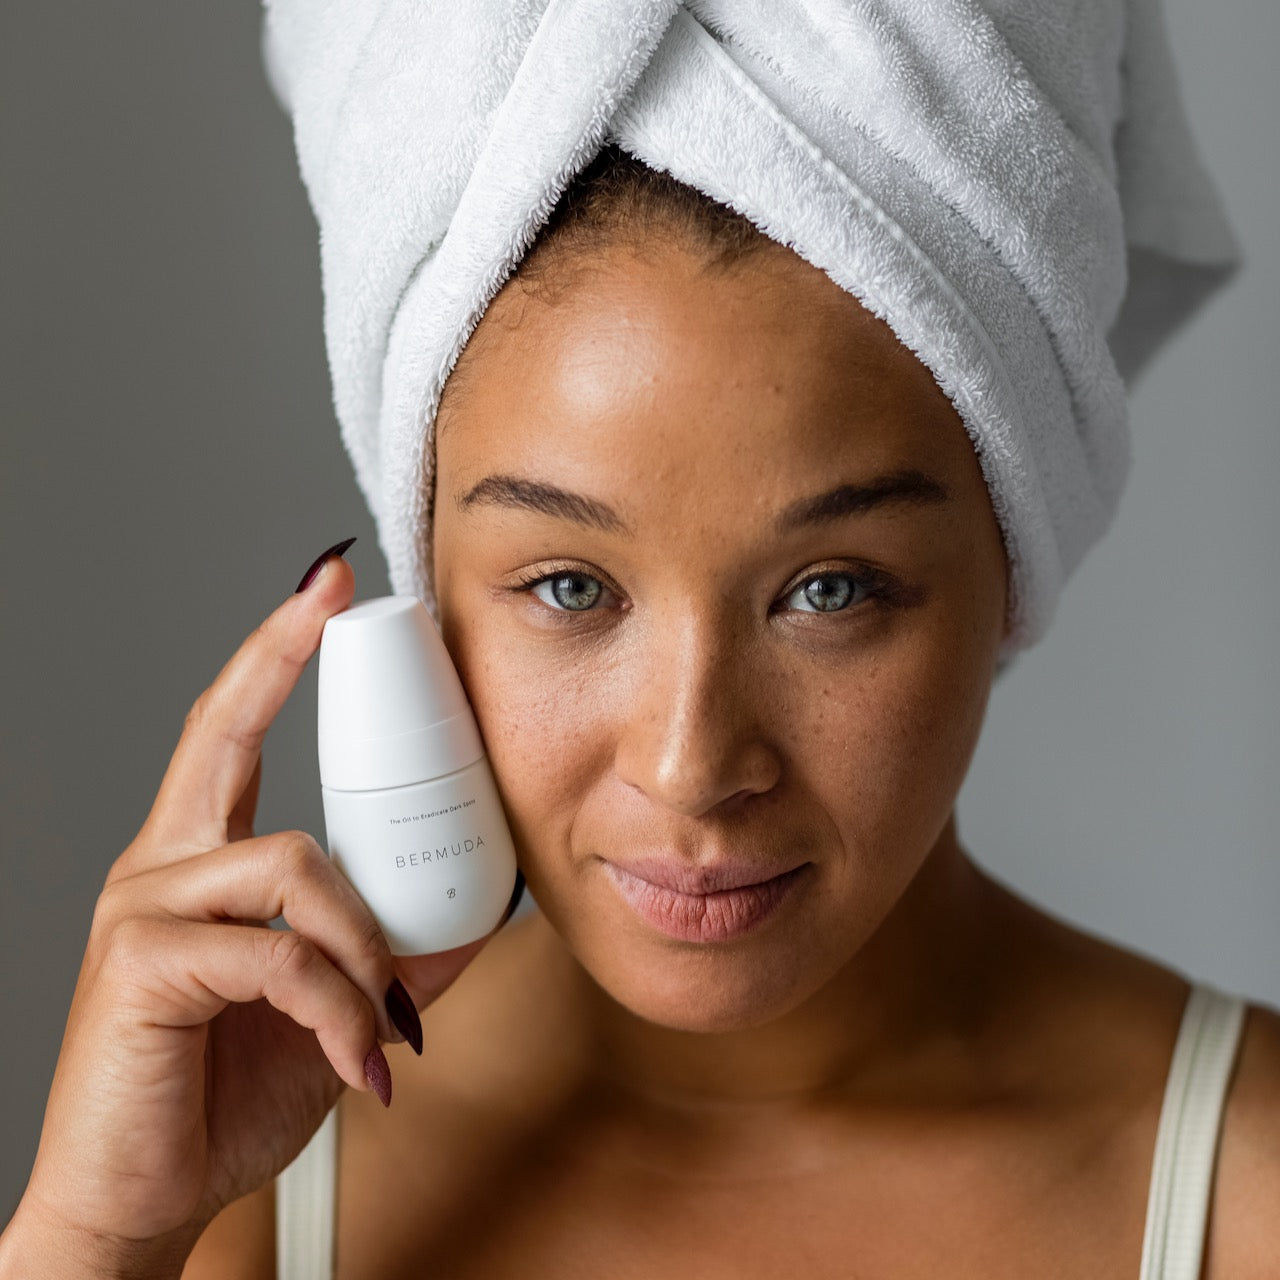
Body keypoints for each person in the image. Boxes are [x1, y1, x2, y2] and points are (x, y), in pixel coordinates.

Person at [3, 7, 1278, 1280]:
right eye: (568, 587)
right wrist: (94, 1242)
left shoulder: (1249, 1185)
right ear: (422, 579)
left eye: (829, 589)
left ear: (1013, 556)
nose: (690, 764)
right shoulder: (233, 1193)